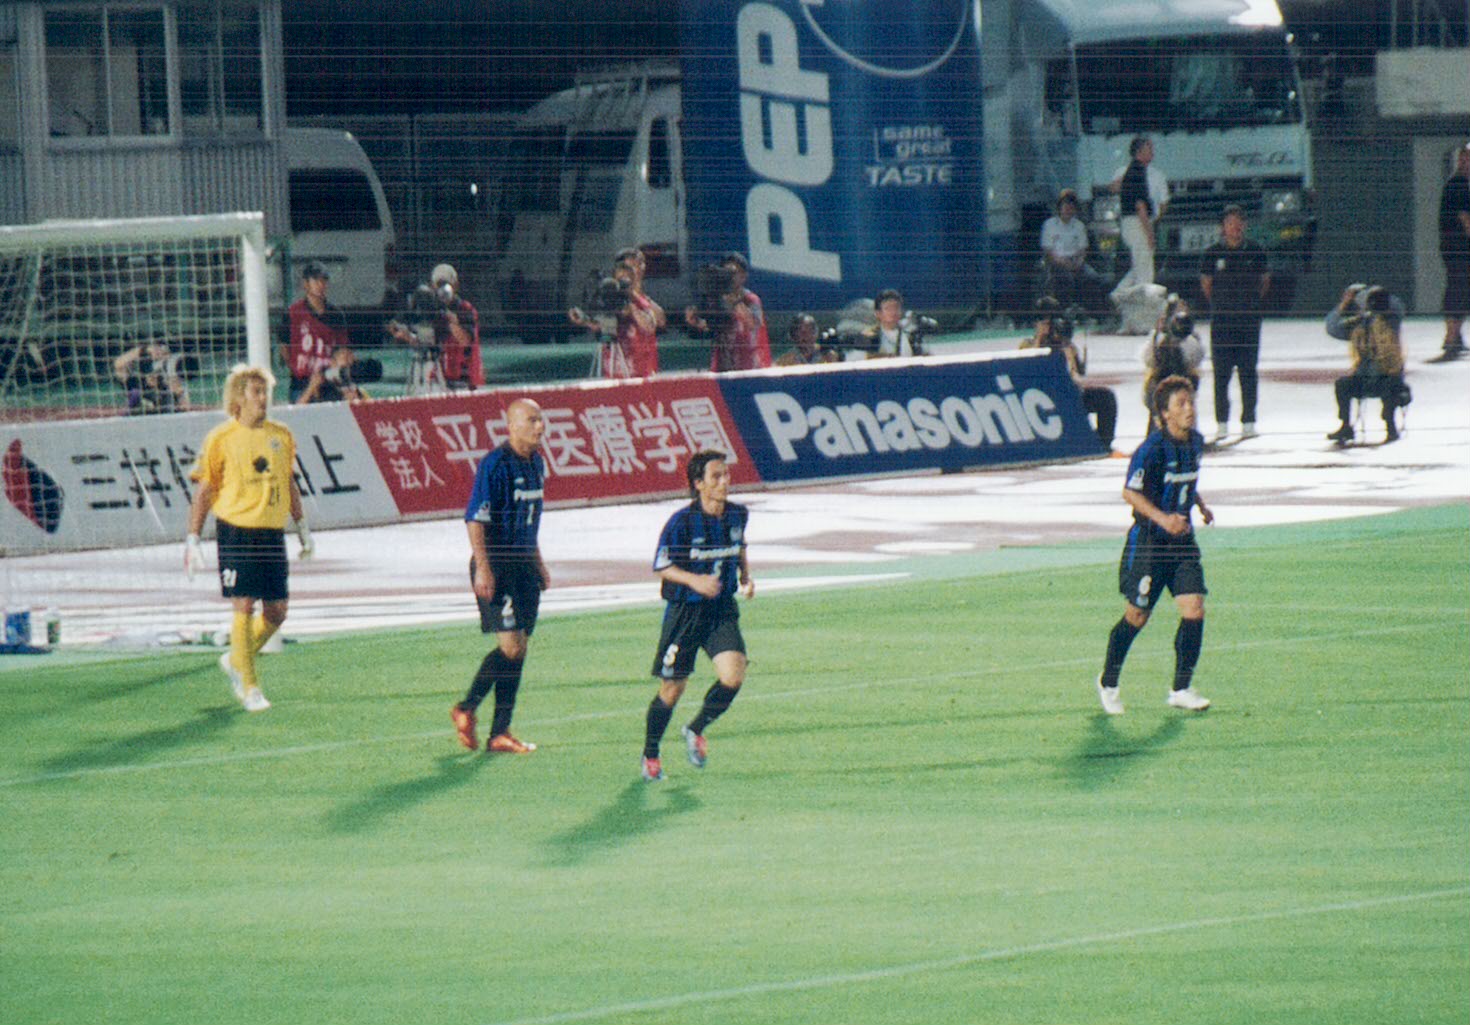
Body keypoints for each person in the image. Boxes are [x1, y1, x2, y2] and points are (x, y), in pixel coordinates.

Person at [185, 365, 313, 713]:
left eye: (265, 391)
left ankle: (236, 659)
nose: (263, 398)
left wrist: (302, 526)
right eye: (256, 391)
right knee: (243, 604)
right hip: (236, 530)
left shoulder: (281, 435)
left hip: (271, 532)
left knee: (277, 611)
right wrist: (193, 537)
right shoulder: (221, 438)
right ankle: (250, 686)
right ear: (239, 398)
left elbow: (288, 482)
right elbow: (204, 490)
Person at [1095, 374, 1214, 716]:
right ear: (1164, 413)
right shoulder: (1151, 450)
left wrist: (1199, 505)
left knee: (1194, 609)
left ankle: (1181, 688)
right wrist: (1163, 519)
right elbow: (1130, 492)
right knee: (1137, 616)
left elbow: (1184, 482)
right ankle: (1108, 681)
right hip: (1151, 544)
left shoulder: (1195, 442)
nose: (1190, 410)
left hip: (1183, 542)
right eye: (1181, 404)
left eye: (1191, 402)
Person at [641, 450, 754, 782]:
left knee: (733, 676)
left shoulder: (737, 514)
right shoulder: (682, 522)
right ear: (699, 484)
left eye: (726, 475)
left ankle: (695, 728)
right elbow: (662, 565)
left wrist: (746, 577)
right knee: (672, 689)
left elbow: (739, 546)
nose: (724, 482)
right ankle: (651, 753)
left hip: (720, 610)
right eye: (716, 477)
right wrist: (694, 581)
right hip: (685, 613)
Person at [450, 398, 550, 755]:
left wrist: (538, 562)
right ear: (512, 426)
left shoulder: (537, 463)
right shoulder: (495, 464)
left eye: (541, 419)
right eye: (532, 420)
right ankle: (466, 708)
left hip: (524, 566)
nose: (540, 426)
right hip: (497, 564)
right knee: (511, 646)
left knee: (518, 649)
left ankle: (499, 733)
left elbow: (530, 519)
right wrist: (483, 566)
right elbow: (475, 518)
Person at [1199, 204, 1271, 442]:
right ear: (1223, 227)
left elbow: (1265, 282)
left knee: (1248, 372)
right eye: (1230, 223)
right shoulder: (1212, 253)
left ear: (1245, 225)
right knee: (1221, 374)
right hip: (1222, 323)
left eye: (1239, 222)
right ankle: (1222, 423)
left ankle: (1249, 421)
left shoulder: (1256, 251)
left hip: (1249, 322)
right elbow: (1206, 285)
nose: (1235, 227)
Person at [1022, 297, 1117, 451]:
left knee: (1106, 397)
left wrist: (1067, 351)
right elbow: (1026, 369)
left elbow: (1077, 375)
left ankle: (1103, 443)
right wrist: (1039, 340)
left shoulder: (1067, 347)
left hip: (1068, 392)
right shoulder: (1027, 345)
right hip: (1039, 397)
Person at [1325, 285, 1409, 445]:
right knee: (1343, 385)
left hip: (1388, 373)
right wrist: (1343, 305)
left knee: (1390, 387)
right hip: (1363, 375)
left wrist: (1378, 294)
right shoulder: (1358, 323)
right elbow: (1333, 328)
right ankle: (1345, 426)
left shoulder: (1390, 319)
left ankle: (1391, 426)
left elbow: (1398, 308)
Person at [387, 263, 484, 390]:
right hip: (441, 379)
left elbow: (465, 341)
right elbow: (428, 343)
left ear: (455, 286)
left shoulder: (465, 309)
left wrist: (451, 319)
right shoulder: (435, 311)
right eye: (438, 285)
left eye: (445, 284)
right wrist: (406, 336)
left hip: (465, 381)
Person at [684, 252, 772, 371]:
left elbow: (753, 325)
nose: (730, 277)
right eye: (726, 272)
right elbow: (711, 327)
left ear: (743, 276)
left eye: (733, 273)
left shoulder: (751, 299)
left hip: (750, 363)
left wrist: (735, 303)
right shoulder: (717, 300)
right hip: (725, 363)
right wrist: (695, 322)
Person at [1111, 136, 1170, 297]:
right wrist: (1150, 234)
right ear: (1139, 152)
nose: (1152, 152)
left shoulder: (1134, 171)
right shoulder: (1136, 172)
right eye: (1149, 149)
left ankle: (1118, 295)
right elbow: (1140, 206)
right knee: (1145, 271)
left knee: (1139, 266)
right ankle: (1140, 303)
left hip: (1133, 224)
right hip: (1137, 224)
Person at [285, 261, 349, 402]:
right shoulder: (293, 313)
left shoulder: (336, 315)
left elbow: (342, 348)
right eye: (315, 280)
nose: (320, 285)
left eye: (323, 280)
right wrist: (296, 368)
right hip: (301, 383)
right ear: (306, 284)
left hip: (328, 382)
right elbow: (284, 346)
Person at [1039, 189, 1108, 314]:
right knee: (1066, 278)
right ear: (1059, 207)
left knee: (1093, 277)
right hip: (1056, 263)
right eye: (1065, 206)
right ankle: (1065, 312)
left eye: (1071, 206)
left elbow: (1083, 250)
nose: (1068, 209)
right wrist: (1064, 263)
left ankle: (1092, 313)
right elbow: (1048, 251)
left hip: (1076, 262)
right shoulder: (1049, 225)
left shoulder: (1079, 226)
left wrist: (1078, 263)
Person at [1433, 142, 1470, 362]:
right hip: (1458, 249)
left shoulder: (1461, 184)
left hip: (1457, 248)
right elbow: (1465, 219)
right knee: (1458, 290)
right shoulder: (1458, 186)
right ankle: (1451, 338)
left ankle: (1455, 337)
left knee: (1461, 290)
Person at [1140, 295, 1204, 412]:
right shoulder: (1158, 338)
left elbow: (1196, 359)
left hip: (1182, 381)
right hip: (1160, 384)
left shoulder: (1190, 340)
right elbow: (1147, 359)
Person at [113, 341, 192, 414]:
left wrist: (179, 395)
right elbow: (118, 364)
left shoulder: (169, 386)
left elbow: (185, 409)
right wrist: (144, 350)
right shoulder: (136, 383)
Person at [862, 289, 927, 358]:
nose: (893, 312)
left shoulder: (911, 334)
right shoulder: (871, 337)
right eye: (888, 308)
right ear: (878, 313)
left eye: (896, 307)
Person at [296, 344, 370, 404]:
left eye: (351, 358)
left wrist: (355, 400)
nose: (349, 361)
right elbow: (298, 409)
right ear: (333, 362)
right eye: (345, 358)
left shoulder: (355, 386)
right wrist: (311, 388)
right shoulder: (322, 382)